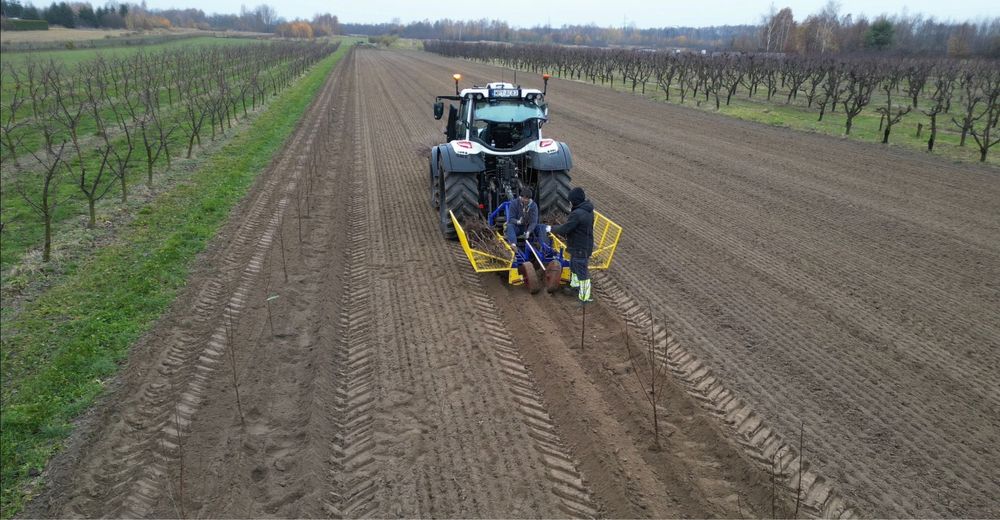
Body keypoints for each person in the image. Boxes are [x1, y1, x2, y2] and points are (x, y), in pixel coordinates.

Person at [545, 187, 594, 303]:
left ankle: (584, 298)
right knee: (574, 267)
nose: (570, 203)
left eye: (571, 201)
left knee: (582, 273)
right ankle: (574, 287)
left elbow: (565, 229)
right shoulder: (588, 210)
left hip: (580, 247)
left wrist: (551, 229)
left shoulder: (577, 214)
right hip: (579, 245)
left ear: (575, 201)